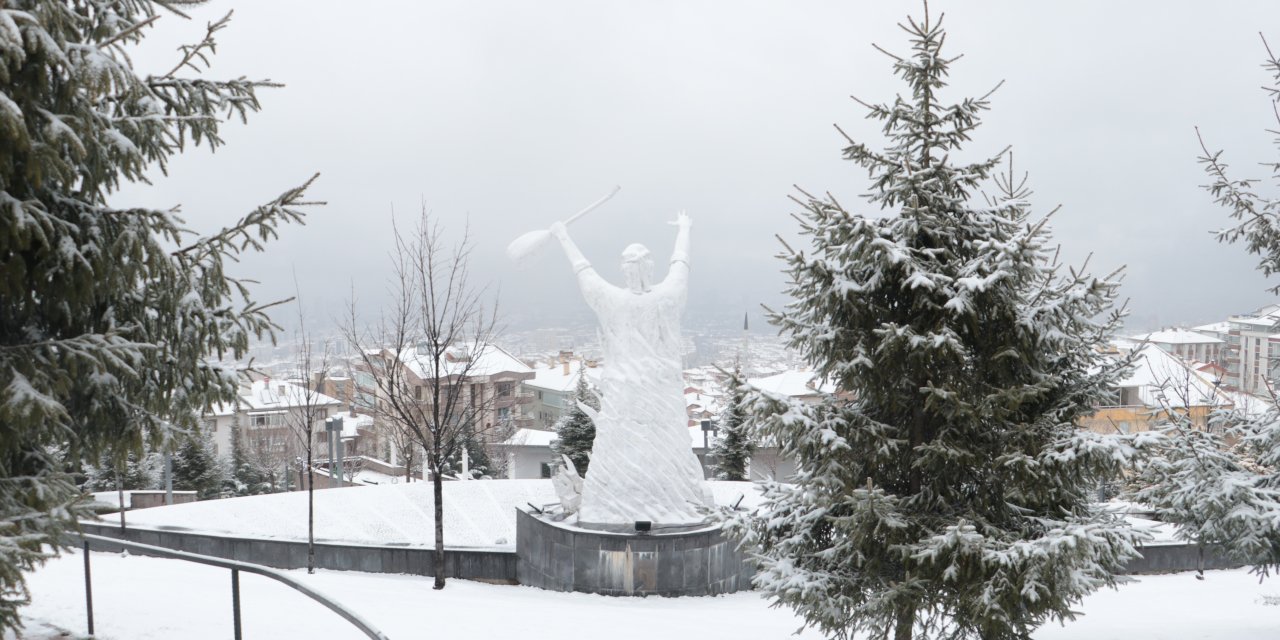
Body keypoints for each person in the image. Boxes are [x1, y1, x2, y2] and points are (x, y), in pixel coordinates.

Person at [549, 212, 711, 526]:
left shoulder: (614, 300)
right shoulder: (666, 298)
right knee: (656, 461)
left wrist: (563, 237)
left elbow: (585, 273)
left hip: (631, 403)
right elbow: (681, 266)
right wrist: (685, 229)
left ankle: (618, 507)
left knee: (632, 460)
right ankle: (662, 504)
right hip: (652, 403)